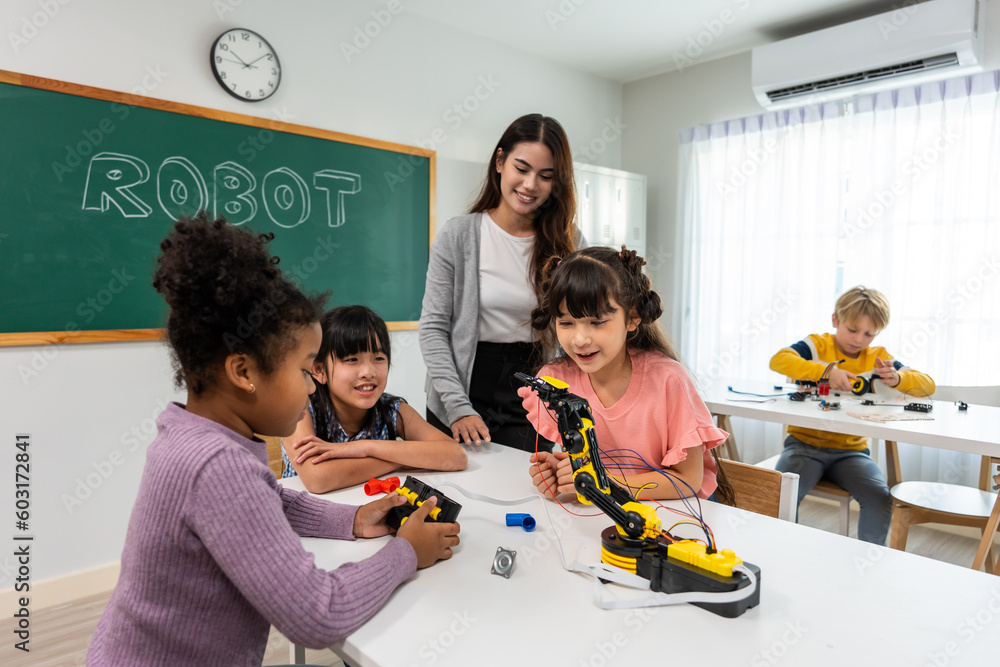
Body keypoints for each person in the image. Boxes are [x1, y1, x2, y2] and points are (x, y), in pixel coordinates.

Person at [87, 213, 459, 666]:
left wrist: (356, 519)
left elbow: (274, 501)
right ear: (244, 372)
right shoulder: (215, 465)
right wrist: (405, 553)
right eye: (304, 370)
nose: (309, 387)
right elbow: (317, 615)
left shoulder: (192, 434)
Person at [520, 246, 733, 502]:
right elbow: (584, 462)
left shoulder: (669, 380)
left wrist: (601, 482)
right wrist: (562, 475)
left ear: (632, 318)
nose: (579, 339)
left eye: (597, 322)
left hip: (675, 519)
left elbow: (687, 480)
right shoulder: (555, 381)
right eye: (566, 323)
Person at [419, 113, 580, 452]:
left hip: (530, 388)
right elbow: (433, 328)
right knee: (456, 494)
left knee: (524, 491)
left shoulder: (570, 242)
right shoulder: (459, 234)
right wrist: (458, 408)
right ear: (500, 162)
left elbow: (580, 329)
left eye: (545, 176)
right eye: (521, 169)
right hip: (461, 387)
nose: (530, 185)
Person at [769, 285, 935, 545]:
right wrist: (825, 371)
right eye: (852, 329)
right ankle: (784, 551)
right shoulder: (816, 345)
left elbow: (927, 385)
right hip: (804, 447)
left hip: (851, 453)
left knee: (880, 497)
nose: (859, 339)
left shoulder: (878, 358)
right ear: (835, 320)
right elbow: (778, 360)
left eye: (869, 333)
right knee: (781, 495)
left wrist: (898, 378)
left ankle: (864, 566)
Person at [282, 305, 467, 493]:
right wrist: (399, 460)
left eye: (378, 358)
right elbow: (319, 480)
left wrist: (364, 447)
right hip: (305, 516)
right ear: (319, 370)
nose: (368, 372)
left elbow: (456, 455)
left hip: (369, 512)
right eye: (352, 359)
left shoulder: (393, 410)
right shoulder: (300, 410)